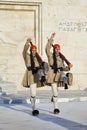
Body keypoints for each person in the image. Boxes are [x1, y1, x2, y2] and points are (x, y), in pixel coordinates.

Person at [45, 33, 72, 114]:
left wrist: (69, 67)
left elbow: (63, 67)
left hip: (60, 72)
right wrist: (51, 39)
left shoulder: (61, 58)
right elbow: (47, 48)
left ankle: (67, 79)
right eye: (56, 49)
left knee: (64, 75)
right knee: (55, 92)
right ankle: (56, 108)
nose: (57, 50)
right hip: (52, 74)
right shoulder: (50, 55)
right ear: (54, 49)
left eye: (58, 49)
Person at [22, 38, 47, 116]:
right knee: (33, 93)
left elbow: (40, 64)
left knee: (34, 92)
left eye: (35, 50)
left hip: (37, 74)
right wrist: (27, 43)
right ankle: (34, 108)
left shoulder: (37, 58)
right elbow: (24, 51)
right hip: (30, 74)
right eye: (33, 50)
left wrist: (42, 65)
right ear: (30, 50)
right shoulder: (27, 56)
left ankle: (44, 76)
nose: (34, 51)